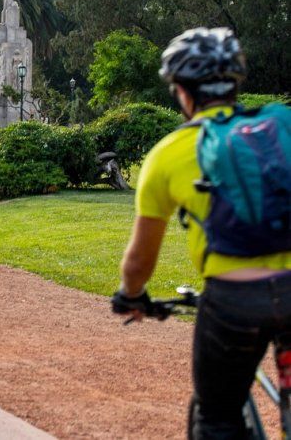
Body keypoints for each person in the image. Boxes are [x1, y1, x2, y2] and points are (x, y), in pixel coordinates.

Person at [112, 27, 291, 439]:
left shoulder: (170, 153)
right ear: (235, 82)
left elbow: (140, 260)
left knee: (219, 418)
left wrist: (132, 295)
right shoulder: (281, 128)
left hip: (234, 303)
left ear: (181, 91)